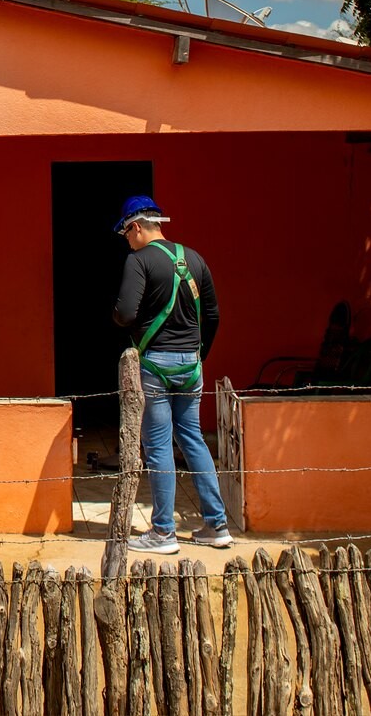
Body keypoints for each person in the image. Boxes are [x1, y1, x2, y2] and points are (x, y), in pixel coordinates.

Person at [110, 194, 233, 553]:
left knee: (159, 445)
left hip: (156, 366)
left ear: (135, 226)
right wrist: (200, 355)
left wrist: (120, 318)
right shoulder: (194, 258)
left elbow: (126, 313)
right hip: (191, 364)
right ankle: (217, 525)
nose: (127, 241)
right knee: (192, 438)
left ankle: (162, 532)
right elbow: (212, 315)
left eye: (125, 234)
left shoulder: (138, 261)